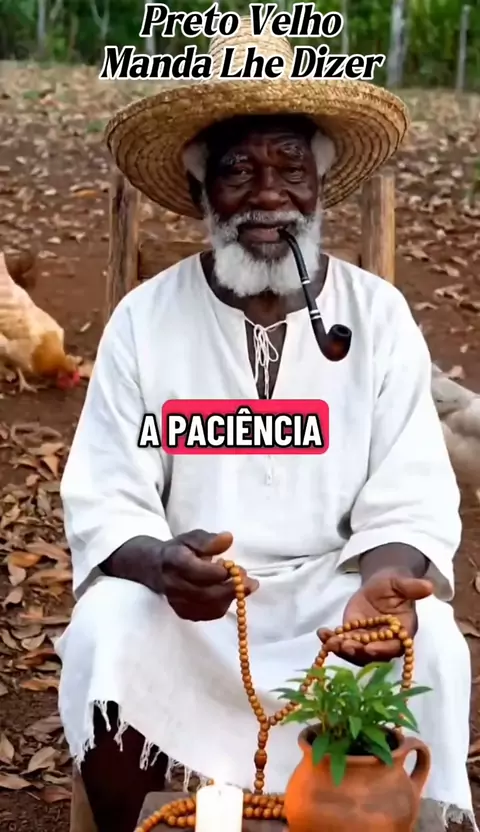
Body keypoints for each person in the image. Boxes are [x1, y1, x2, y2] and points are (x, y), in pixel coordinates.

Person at [56, 21, 476, 832]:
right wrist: (162, 563)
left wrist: (383, 581)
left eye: (290, 167)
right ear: (200, 193)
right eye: (238, 170)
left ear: (320, 189)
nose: (268, 193)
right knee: (107, 628)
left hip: (338, 598)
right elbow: (107, 493)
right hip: (193, 608)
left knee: (436, 644)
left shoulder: (378, 315)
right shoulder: (145, 320)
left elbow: (412, 485)